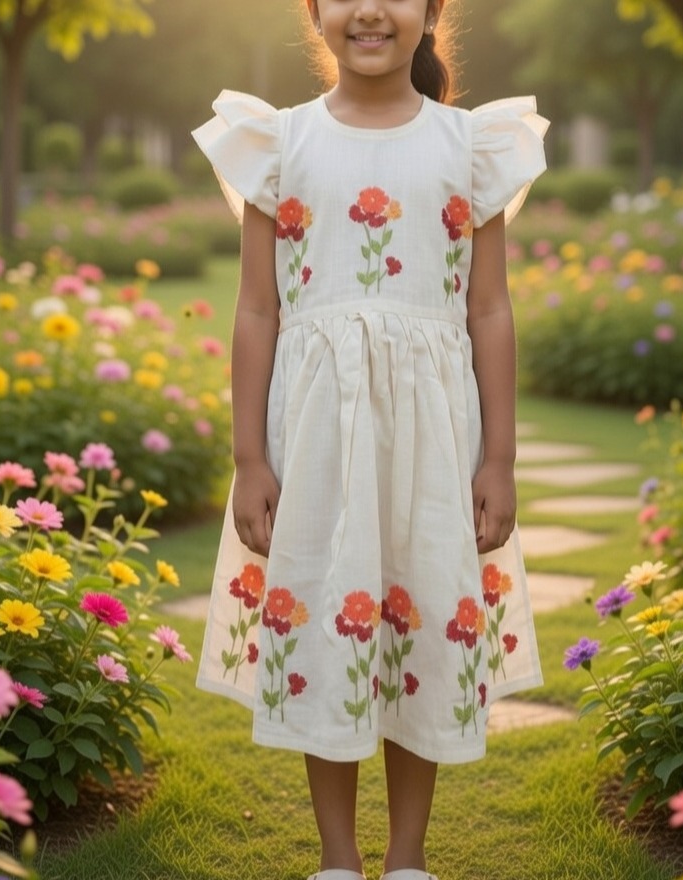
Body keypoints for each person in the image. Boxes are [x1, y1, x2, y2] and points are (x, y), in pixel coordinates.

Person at [192, 1, 547, 877]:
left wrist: (498, 460)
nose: (370, 10)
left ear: (431, 12)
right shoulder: (278, 142)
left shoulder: (470, 145)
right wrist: (248, 458)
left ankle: (410, 858)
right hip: (316, 434)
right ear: (314, 12)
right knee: (328, 615)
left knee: (423, 611)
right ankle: (340, 859)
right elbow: (256, 307)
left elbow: (491, 308)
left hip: (434, 433)